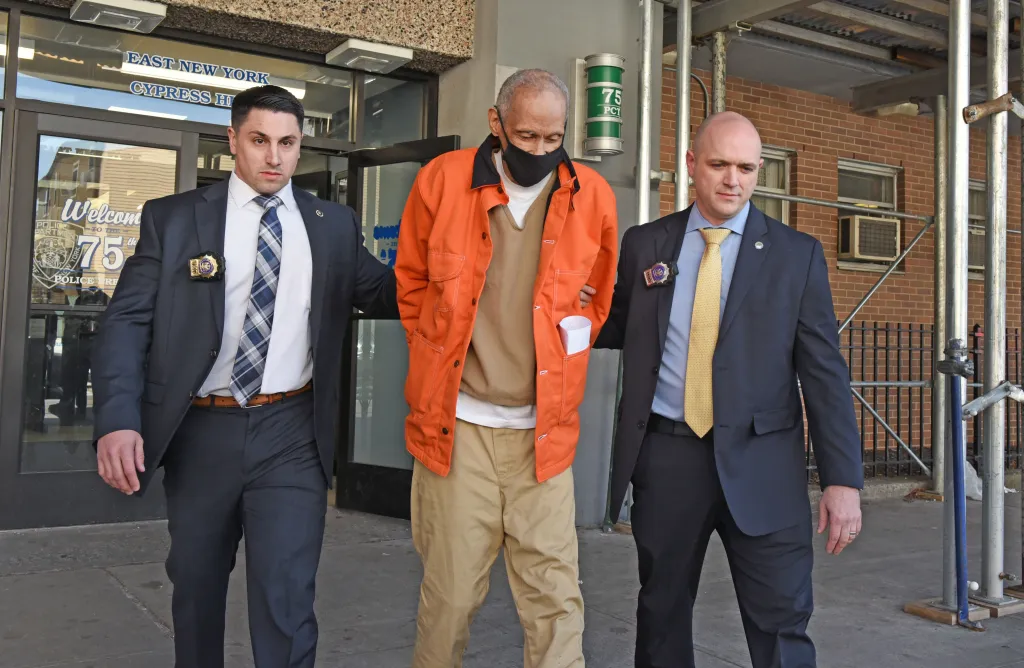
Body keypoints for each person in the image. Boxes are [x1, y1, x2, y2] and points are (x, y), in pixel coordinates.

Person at [90, 85, 397, 668]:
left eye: (288, 143)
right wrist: (117, 420)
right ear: (233, 140)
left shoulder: (332, 224)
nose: (275, 157)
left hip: (291, 432)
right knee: (197, 588)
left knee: (288, 596)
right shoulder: (174, 219)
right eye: (260, 140)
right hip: (203, 430)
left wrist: (457, 259)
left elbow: (384, 291)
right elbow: (126, 323)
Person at [594, 111, 864, 668]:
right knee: (661, 616)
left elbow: (824, 373)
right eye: (719, 164)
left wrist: (842, 480)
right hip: (668, 458)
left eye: (746, 168)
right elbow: (612, 324)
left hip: (765, 465)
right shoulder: (646, 245)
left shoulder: (796, 255)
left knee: (782, 625)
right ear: (692, 164)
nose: (732, 180)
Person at [394, 68, 619, 667]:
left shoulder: (593, 195)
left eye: (554, 138)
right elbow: (411, 283)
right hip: (458, 431)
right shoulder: (441, 180)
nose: (540, 151)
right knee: (449, 597)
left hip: (543, 436)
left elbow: (597, 299)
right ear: (496, 123)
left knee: (556, 601)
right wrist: (434, 354)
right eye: (526, 136)